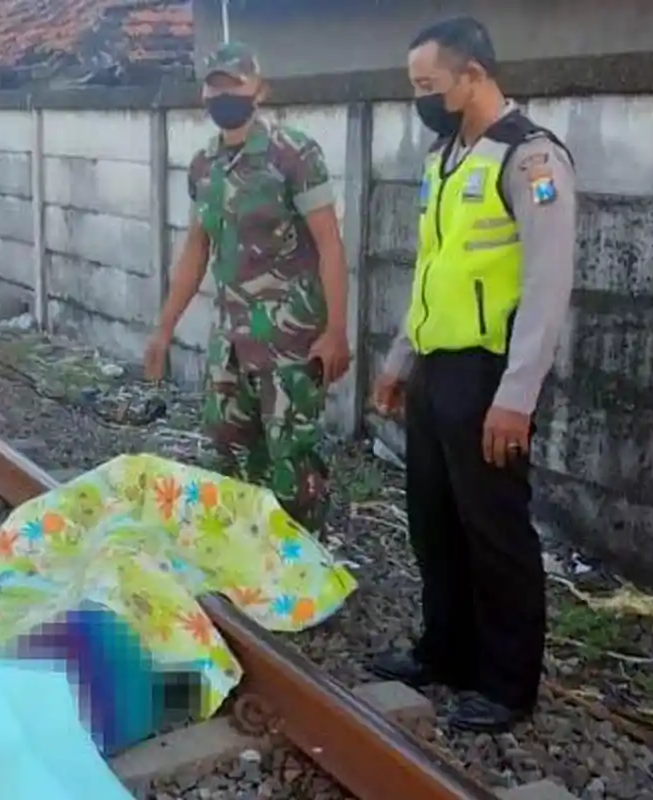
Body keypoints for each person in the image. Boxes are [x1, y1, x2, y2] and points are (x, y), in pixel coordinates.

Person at [367, 17, 576, 733]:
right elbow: (433, 270)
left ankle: (508, 684)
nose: (420, 97)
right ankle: (444, 652)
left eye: (429, 85)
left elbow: (548, 288)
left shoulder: (532, 160)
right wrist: (400, 362)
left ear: (474, 76)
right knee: (434, 520)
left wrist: (516, 398)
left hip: (490, 374)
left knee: (495, 532)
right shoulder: (445, 157)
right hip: (435, 370)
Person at [143, 42, 351, 532]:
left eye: (234, 84)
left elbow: (330, 246)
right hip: (232, 344)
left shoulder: (293, 154)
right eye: (215, 85)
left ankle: (306, 574)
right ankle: (246, 571)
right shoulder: (203, 167)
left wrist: (336, 330)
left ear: (260, 91)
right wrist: (164, 329)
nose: (223, 94)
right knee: (229, 461)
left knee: (290, 464)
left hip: (290, 343)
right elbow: (196, 250)